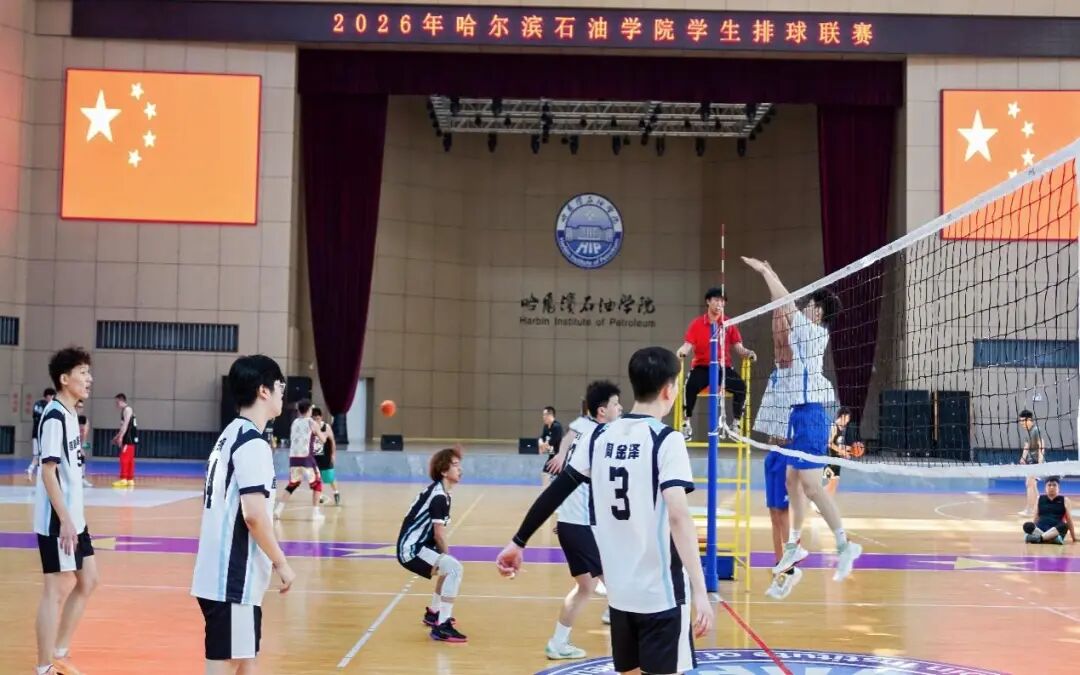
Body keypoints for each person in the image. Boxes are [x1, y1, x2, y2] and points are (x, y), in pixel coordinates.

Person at [497, 347, 714, 675]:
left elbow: (557, 490)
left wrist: (518, 541)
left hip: (621, 596)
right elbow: (678, 517)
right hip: (662, 595)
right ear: (669, 390)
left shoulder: (598, 436)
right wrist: (701, 591)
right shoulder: (666, 440)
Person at [742, 256, 862, 582]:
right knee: (791, 481)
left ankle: (844, 544)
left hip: (812, 415)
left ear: (818, 312)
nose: (806, 307)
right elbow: (781, 314)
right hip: (799, 414)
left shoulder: (813, 331)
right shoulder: (803, 333)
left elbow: (786, 302)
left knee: (811, 486)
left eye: (810, 304)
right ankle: (794, 544)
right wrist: (772, 281)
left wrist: (766, 272)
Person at [191, 355, 296, 673]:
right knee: (227, 664)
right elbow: (254, 516)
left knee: (246, 662)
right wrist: (281, 562)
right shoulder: (252, 443)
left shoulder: (231, 434)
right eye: (280, 385)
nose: (282, 393)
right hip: (232, 579)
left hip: (226, 577)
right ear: (264, 390)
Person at [541, 380, 622, 659]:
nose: (620, 408)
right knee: (617, 583)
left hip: (572, 523)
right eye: (616, 404)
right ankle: (634, 645)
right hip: (582, 524)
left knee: (585, 587)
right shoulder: (599, 438)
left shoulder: (587, 432)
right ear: (602, 411)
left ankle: (557, 643)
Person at [33, 348, 97, 675]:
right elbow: (48, 472)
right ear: (64, 379)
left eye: (88, 372)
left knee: (89, 580)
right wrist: (66, 520)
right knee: (54, 591)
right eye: (82, 372)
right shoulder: (55, 416)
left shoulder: (72, 414)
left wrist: (75, 518)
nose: (89, 379)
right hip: (57, 520)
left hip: (74, 518)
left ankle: (58, 650)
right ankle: (44, 666)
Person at [396, 446, 468, 643]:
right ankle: (442, 626)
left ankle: (434, 613)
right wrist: (447, 557)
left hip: (419, 545)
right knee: (454, 568)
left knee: (448, 567)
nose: (460, 469)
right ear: (444, 471)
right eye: (455, 465)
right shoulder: (439, 497)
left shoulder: (442, 493)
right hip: (412, 549)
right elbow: (439, 535)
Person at [676, 287, 756, 439]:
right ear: (708, 301)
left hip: (723, 368)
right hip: (702, 368)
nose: (720, 304)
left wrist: (748, 353)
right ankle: (686, 424)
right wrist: (681, 352)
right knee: (689, 387)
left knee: (741, 387)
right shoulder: (697, 324)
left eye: (722, 301)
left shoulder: (729, 323)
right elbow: (687, 346)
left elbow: (739, 348)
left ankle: (736, 424)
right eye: (716, 300)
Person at [274, 399, 329, 520]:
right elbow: (323, 440)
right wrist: (326, 433)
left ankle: (278, 510)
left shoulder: (295, 422)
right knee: (317, 484)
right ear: (309, 410)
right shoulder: (311, 422)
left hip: (293, 458)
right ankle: (315, 514)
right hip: (306, 458)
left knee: (292, 485)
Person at [1022, 477, 1076, 544]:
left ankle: (1039, 538)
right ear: (1045, 487)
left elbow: (1069, 520)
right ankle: (1052, 539)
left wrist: (1073, 537)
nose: (1051, 487)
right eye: (1049, 485)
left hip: (1056, 530)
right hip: (1041, 528)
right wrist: (1032, 528)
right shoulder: (1039, 499)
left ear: (1058, 488)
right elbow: (1036, 517)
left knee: (1065, 525)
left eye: (1054, 485)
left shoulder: (1065, 500)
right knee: (1027, 525)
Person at [1017, 410, 1045, 517]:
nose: (1021, 423)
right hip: (1030, 461)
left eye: (1023, 421)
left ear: (1029, 419)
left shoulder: (1036, 430)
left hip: (1036, 462)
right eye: (1020, 421)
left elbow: (1041, 445)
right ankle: (1041, 508)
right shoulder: (1027, 432)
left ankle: (1029, 509)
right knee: (1032, 486)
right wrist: (1023, 458)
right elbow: (1026, 446)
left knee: (1029, 484)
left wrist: (1040, 463)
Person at [312, 407, 340, 506]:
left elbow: (332, 441)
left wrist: (333, 454)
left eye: (318, 419)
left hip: (326, 456)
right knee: (316, 477)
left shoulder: (326, 427)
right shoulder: (311, 428)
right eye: (314, 419)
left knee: (330, 477)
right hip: (315, 457)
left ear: (321, 417)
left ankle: (336, 492)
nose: (316, 421)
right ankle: (319, 496)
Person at [27, 388, 56, 482]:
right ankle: (31, 471)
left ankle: (34, 472)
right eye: (52, 396)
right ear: (47, 396)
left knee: (43, 456)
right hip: (38, 434)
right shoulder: (40, 405)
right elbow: (38, 418)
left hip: (45, 435)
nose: (52, 398)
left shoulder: (50, 405)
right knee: (37, 455)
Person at [823, 407, 853, 499]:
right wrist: (843, 452)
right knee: (831, 484)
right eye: (847, 418)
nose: (847, 421)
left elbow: (838, 445)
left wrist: (850, 449)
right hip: (830, 459)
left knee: (834, 485)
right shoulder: (834, 427)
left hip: (837, 460)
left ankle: (825, 503)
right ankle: (817, 499)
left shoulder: (842, 428)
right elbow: (830, 444)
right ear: (842, 416)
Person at [111, 394, 138, 488]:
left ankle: (123, 479)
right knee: (130, 459)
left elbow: (125, 424)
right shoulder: (126, 410)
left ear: (121, 400)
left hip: (128, 438)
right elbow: (123, 426)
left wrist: (121, 437)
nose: (116, 404)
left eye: (117, 402)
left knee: (124, 459)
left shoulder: (127, 409)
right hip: (131, 438)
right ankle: (130, 479)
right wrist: (117, 436)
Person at [539, 406, 563, 483]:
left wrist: (543, 447)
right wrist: (541, 443)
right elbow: (541, 437)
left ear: (550, 415)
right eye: (543, 415)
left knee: (547, 475)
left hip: (559, 458)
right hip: (552, 455)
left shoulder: (557, 427)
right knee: (546, 474)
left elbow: (551, 442)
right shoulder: (546, 426)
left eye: (545, 415)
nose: (543, 417)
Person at [76, 400, 92, 489]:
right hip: (70, 444)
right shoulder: (69, 418)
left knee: (82, 458)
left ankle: (82, 478)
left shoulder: (85, 420)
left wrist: (82, 447)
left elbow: (85, 434)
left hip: (79, 443)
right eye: (78, 407)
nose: (80, 409)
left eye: (81, 407)